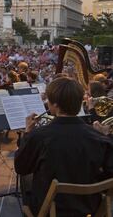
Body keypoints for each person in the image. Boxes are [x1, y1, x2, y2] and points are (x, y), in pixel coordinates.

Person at [15, 77, 113, 216]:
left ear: (54, 105)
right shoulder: (98, 137)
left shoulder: (38, 136)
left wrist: (27, 134)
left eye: (48, 100)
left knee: (26, 178)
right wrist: (106, 137)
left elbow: (21, 167)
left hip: (50, 210)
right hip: (88, 208)